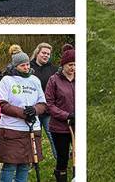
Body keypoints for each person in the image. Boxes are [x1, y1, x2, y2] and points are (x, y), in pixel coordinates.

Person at [0, 52, 46, 182]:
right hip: (11, 129)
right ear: (15, 66)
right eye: (22, 65)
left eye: (27, 64)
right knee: (10, 164)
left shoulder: (35, 80)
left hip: (31, 129)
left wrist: (34, 110)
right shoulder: (7, 80)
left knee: (25, 164)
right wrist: (23, 113)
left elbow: (43, 103)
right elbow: (2, 104)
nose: (26, 67)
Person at [43, 48, 75, 182]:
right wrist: (67, 115)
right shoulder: (54, 80)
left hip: (77, 125)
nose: (73, 68)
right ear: (63, 65)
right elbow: (49, 104)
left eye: (75, 65)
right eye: (70, 65)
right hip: (60, 128)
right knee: (63, 158)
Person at [29, 43, 58, 160]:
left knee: (53, 136)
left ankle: (60, 162)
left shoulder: (53, 69)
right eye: (43, 53)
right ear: (37, 53)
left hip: (48, 111)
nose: (46, 55)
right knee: (34, 137)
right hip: (33, 110)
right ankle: (33, 163)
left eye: (48, 54)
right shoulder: (29, 68)